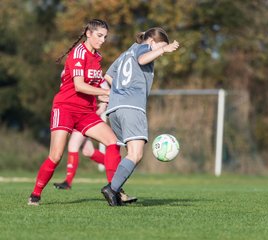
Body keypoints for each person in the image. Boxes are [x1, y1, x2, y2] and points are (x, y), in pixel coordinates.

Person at [28, 19, 121, 206]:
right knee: (55, 156)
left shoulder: (97, 57)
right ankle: (35, 194)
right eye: (99, 35)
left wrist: (108, 98)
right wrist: (105, 92)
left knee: (112, 142)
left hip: (86, 112)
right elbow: (79, 86)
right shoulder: (79, 53)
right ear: (88, 33)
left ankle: (114, 190)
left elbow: (93, 90)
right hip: (65, 108)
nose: (102, 40)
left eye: (105, 37)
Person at [99, 27, 179, 206]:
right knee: (136, 154)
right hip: (132, 106)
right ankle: (112, 189)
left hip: (115, 108)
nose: (161, 53)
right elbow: (143, 59)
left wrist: (119, 91)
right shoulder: (143, 48)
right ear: (151, 42)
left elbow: (108, 76)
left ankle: (116, 191)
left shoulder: (125, 53)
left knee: (129, 153)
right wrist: (163, 49)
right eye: (160, 47)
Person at [53, 102, 137, 203]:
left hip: (85, 117)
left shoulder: (98, 85)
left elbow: (105, 94)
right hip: (81, 115)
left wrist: (101, 106)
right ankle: (118, 168)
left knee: (73, 145)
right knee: (88, 151)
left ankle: (68, 182)